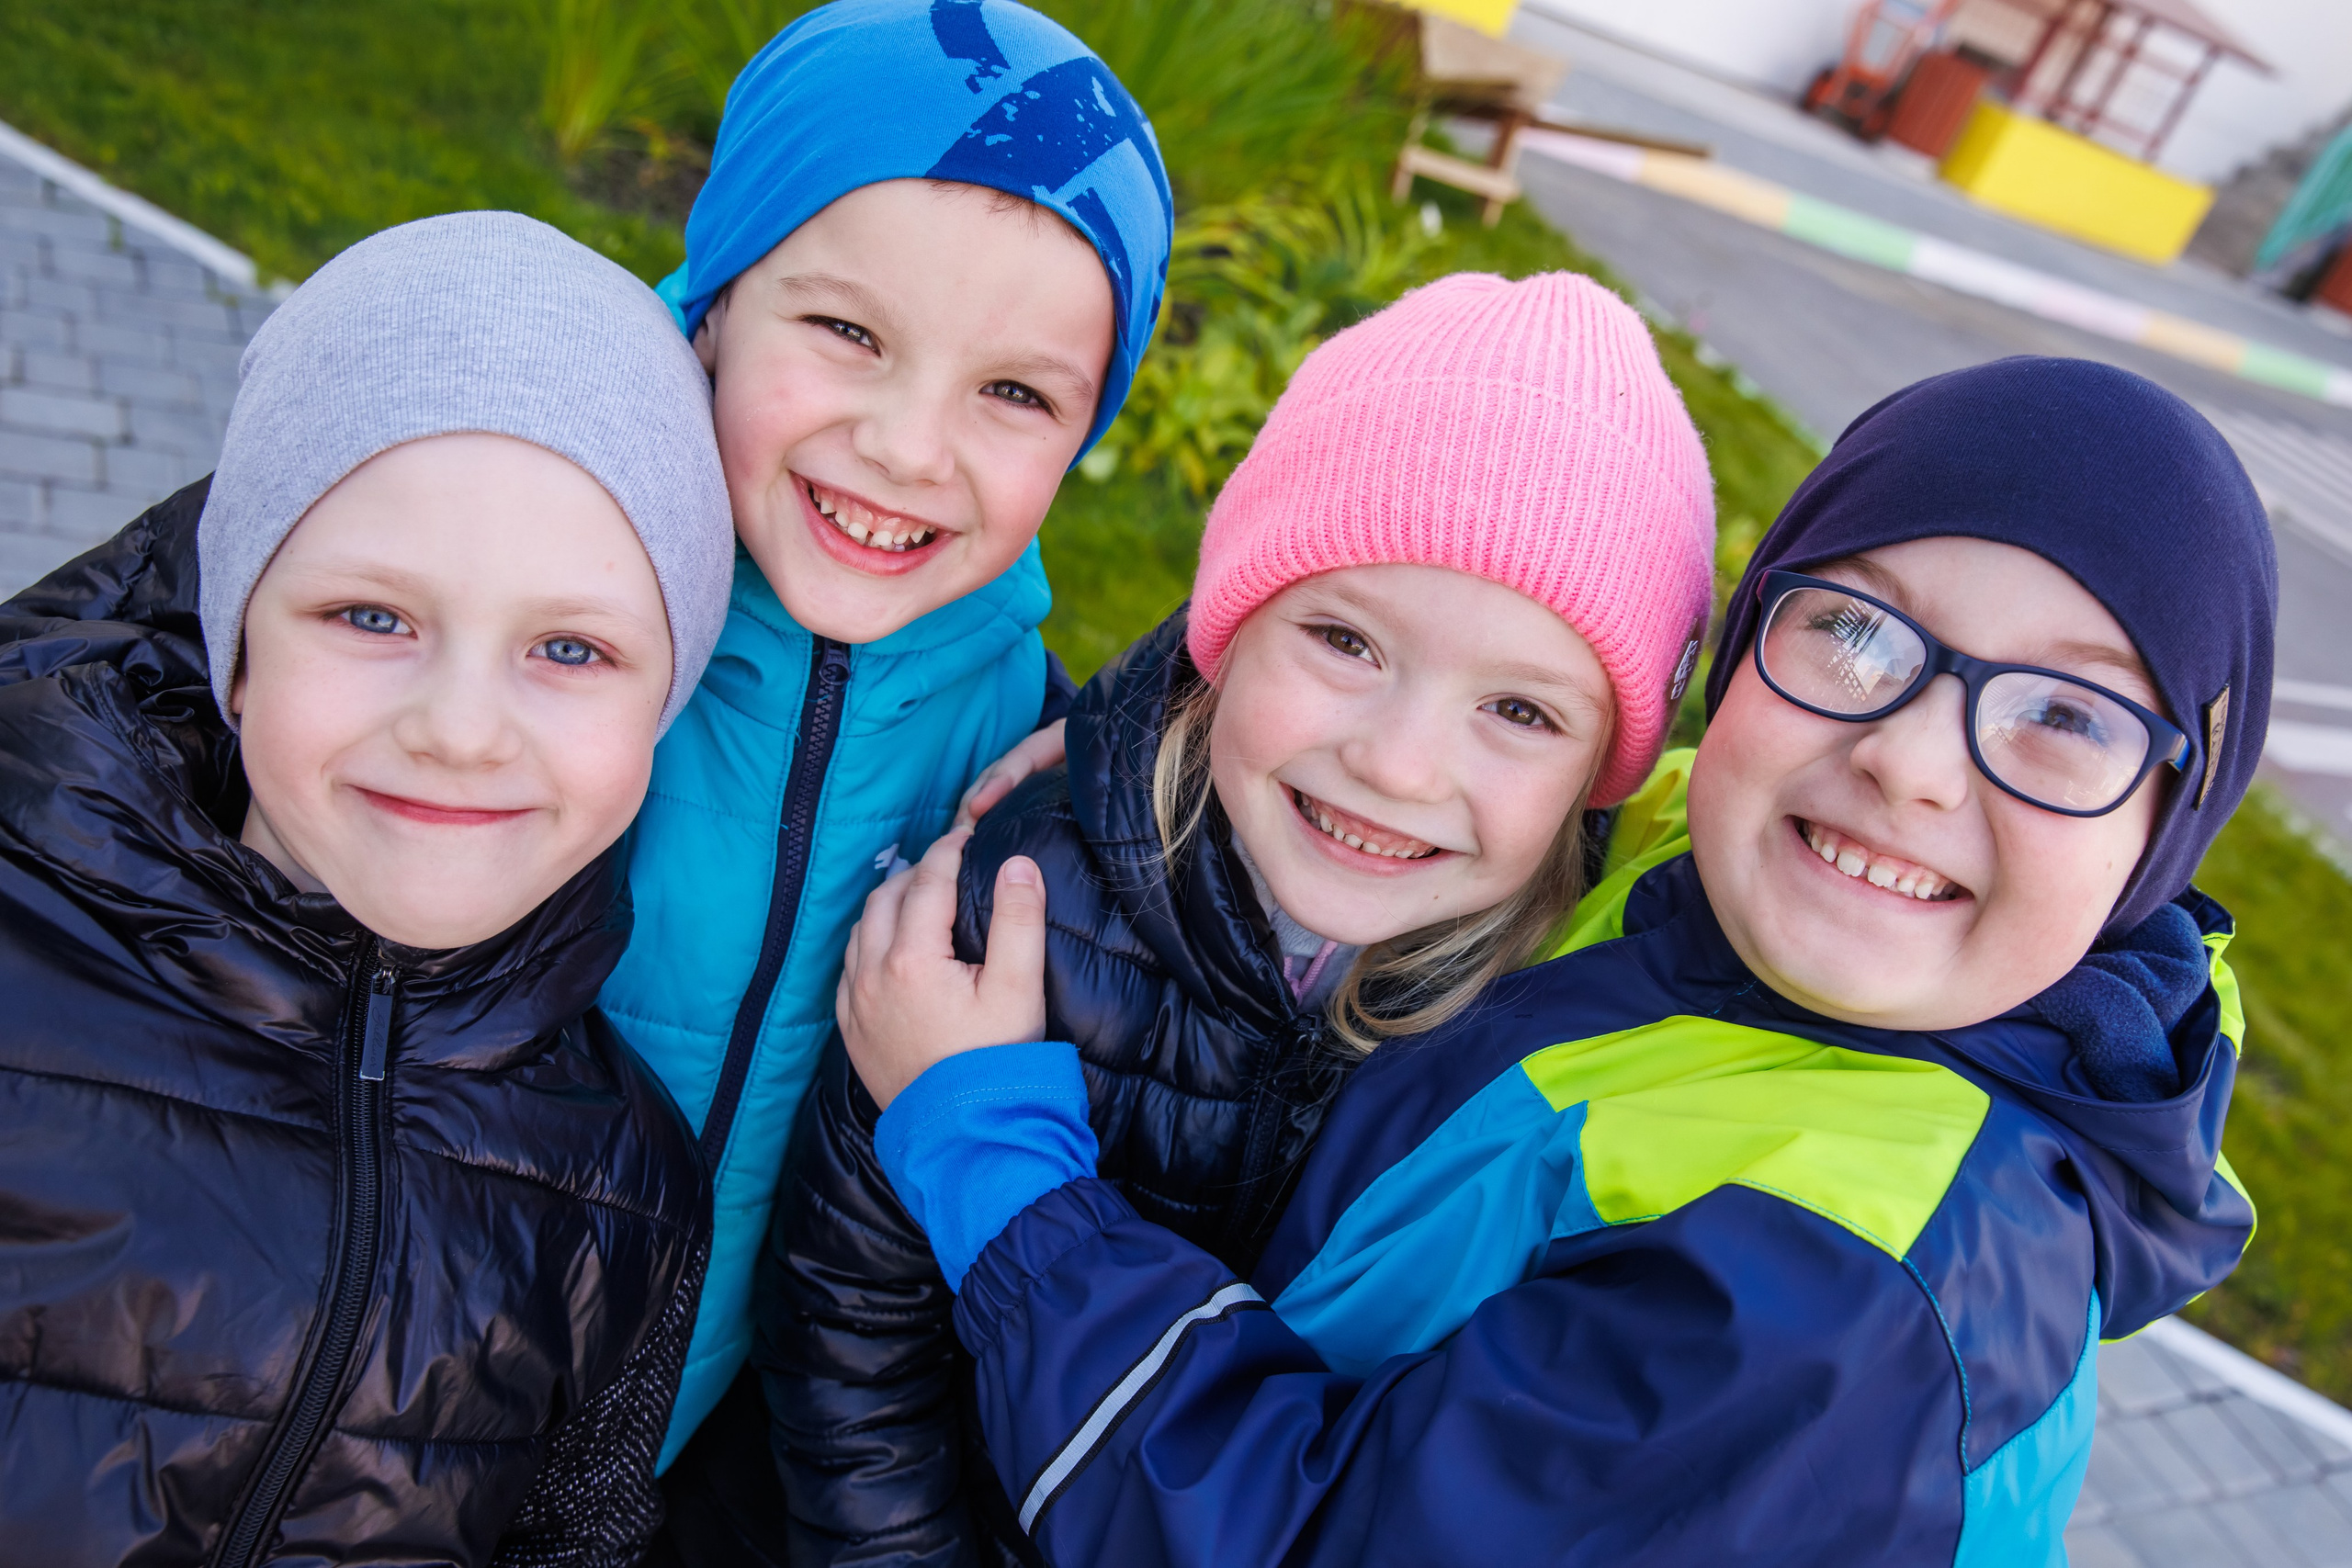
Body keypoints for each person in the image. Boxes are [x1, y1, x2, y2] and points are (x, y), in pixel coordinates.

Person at [837, 356, 2270, 1566]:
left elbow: (1308, 1540)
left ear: (2168, 825)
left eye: (2066, 718)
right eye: (1854, 630)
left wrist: (995, 1164)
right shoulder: (1716, 875)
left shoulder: (1842, 1309)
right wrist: (1169, 742)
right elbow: (1471, 668)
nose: (1908, 764)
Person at [776, 270, 1718, 1563]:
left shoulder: (1563, 1001)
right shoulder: (1031, 905)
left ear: (1595, 777)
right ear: (1228, 633)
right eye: (1345, 642)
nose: (1397, 765)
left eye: (1520, 711)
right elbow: (846, 1325)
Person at [0, 212, 735, 1566]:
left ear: (664, 700)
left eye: (571, 649)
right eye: (373, 618)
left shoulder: (625, 1180)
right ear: (238, 646)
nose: (460, 729)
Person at [590, 0, 1175, 1506]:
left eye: (1014, 394)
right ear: (714, 304)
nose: (912, 448)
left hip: (685, 1465)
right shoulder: (538, 595)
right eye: (849, 333)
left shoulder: (1028, 761)